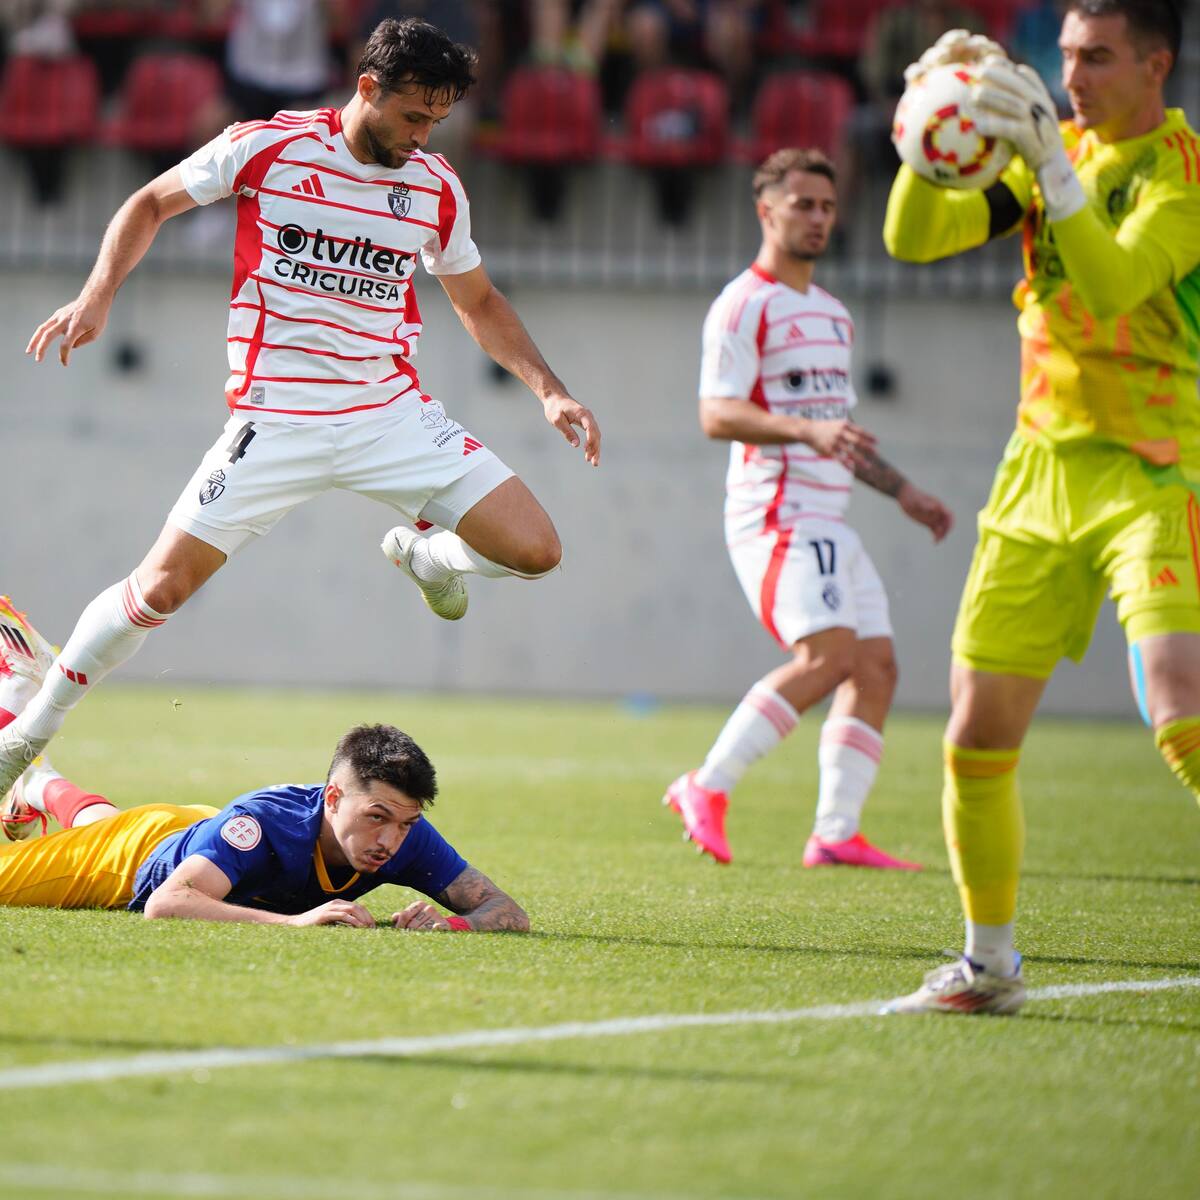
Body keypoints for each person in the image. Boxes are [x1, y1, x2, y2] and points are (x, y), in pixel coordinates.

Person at [1, 17, 601, 796]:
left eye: (437, 121)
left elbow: (478, 301)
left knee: (537, 550)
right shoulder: (269, 147)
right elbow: (149, 202)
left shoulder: (435, 187)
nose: (423, 136)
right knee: (158, 590)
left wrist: (550, 391)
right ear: (367, 87)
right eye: (413, 116)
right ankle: (24, 739)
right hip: (276, 421)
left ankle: (428, 558)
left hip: (389, 415)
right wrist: (97, 294)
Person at [881, 1, 1200, 1014]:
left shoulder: (1180, 173)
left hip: (1156, 471)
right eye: (1066, 55)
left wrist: (1053, 170)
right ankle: (990, 967)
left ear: (1157, 65)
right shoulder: (1044, 148)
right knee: (976, 733)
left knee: (1182, 710)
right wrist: (924, 125)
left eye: (1098, 57)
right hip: (1037, 474)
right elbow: (911, 238)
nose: (1074, 77)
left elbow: (1112, 287)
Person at [662, 147, 954, 869]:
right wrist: (804, 430)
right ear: (767, 211)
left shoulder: (833, 314)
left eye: (827, 206)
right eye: (803, 205)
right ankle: (706, 784)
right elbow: (716, 414)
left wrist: (904, 491)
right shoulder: (744, 305)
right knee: (827, 658)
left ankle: (835, 831)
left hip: (829, 519)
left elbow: (836, 430)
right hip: (776, 515)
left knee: (876, 667)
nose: (819, 218)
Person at [0, 604, 527, 930]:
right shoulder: (266, 822)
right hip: (129, 860)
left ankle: (38, 783)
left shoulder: (402, 833)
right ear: (334, 798)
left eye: (405, 823)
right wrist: (294, 922)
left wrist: (453, 925)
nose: (391, 840)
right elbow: (169, 901)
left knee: (143, 832)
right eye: (378, 818)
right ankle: (25, 725)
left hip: (198, 833)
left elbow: (507, 912)